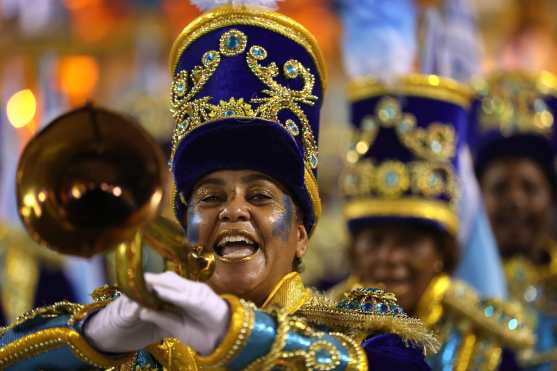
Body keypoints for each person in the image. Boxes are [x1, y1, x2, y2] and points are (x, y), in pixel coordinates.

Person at [0, 2, 436, 370]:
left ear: (301, 235)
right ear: (184, 225)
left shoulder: (366, 335)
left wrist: (241, 335)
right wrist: (95, 339)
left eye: (260, 195)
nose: (233, 210)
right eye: (210, 197)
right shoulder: (145, 347)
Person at [330, 73, 533, 370]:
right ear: (353, 249)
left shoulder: (486, 344)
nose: (389, 257)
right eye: (374, 241)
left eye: (409, 242)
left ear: (442, 252)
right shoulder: (317, 330)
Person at [469, 70, 557, 370]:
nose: (515, 200)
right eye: (500, 187)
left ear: (551, 199)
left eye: (529, 187)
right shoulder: (455, 296)